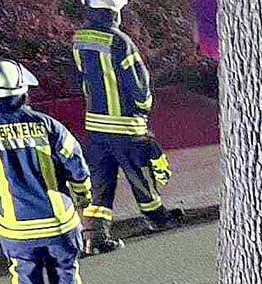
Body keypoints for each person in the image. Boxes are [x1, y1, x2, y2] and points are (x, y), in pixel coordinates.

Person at [0, 60, 92, 284]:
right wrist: (83, 197)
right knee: (65, 272)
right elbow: (77, 164)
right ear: (23, 93)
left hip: (17, 228)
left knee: (26, 278)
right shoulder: (47, 126)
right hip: (60, 223)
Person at [73, 0, 181, 254]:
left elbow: (80, 75)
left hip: (96, 125)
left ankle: (96, 235)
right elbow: (138, 83)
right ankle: (156, 217)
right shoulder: (119, 41)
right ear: (113, 12)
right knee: (139, 173)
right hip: (125, 124)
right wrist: (144, 107)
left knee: (101, 179)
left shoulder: (79, 39)